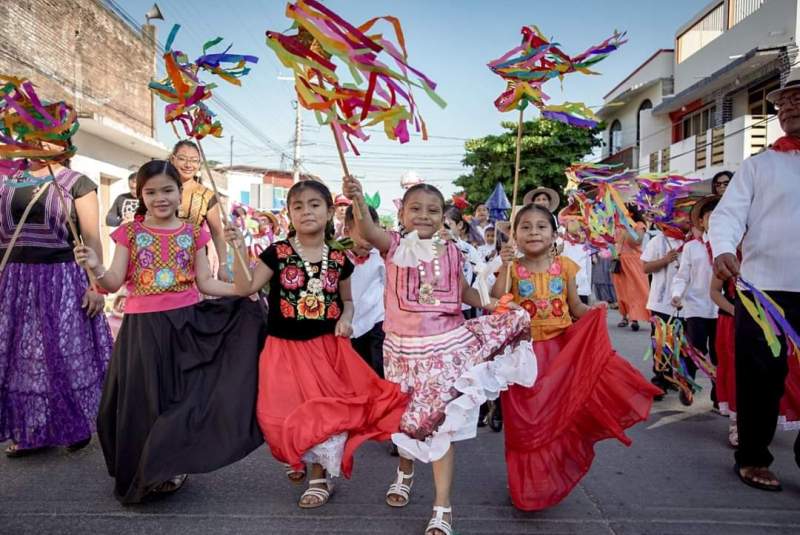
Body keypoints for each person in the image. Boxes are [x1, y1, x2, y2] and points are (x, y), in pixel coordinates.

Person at [343, 177, 534, 535]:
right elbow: (368, 230)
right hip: (401, 351)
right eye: (415, 208)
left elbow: (467, 294)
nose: (424, 216)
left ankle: (441, 505)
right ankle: (405, 471)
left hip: (446, 350)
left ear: (443, 215)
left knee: (441, 427)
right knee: (408, 419)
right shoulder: (393, 244)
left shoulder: (454, 251)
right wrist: (356, 199)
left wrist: (497, 301)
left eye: (433, 210)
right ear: (401, 212)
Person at [76, 160, 266, 503]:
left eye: (167, 190)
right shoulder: (129, 233)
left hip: (186, 325)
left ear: (181, 193)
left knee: (180, 400)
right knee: (144, 402)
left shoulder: (194, 233)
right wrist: (95, 267)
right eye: (151, 192)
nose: (160, 198)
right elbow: (114, 282)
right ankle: (145, 469)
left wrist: (241, 286)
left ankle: (169, 464)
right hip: (142, 331)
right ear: (140, 195)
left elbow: (207, 282)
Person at [226, 179, 408, 510]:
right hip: (282, 349)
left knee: (321, 413)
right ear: (289, 214)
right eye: (298, 206)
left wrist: (346, 319)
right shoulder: (277, 252)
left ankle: (318, 478)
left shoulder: (339, 257)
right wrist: (236, 250)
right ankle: (294, 455)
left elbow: (347, 301)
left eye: (314, 205)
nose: (306, 211)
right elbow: (245, 287)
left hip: (326, 349)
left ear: (328, 213)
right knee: (276, 414)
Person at [492, 203, 660, 511]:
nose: (533, 232)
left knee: (556, 418)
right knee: (523, 424)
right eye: (525, 227)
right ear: (514, 235)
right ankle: (522, 483)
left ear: (554, 234)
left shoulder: (566, 267)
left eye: (541, 226)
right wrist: (503, 270)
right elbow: (496, 300)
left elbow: (574, 307)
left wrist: (592, 315)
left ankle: (548, 477)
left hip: (560, 354)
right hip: (522, 356)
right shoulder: (511, 269)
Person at [710, 72, 800, 492]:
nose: (788, 108)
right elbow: (728, 215)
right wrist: (724, 248)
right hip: (763, 289)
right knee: (761, 377)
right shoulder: (758, 165)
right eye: (783, 103)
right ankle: (752, 458)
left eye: (798, 99)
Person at [0, 159, 113, 457]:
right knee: (22, 355)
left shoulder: (78, 183)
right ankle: (32, 429)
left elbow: (91, 240)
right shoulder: (6, 177)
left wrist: (95, 286)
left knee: (59, 352)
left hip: (60, 277)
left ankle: (71, 421)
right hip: (13, 277)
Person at [671, 196, 719, 407]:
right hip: (696, 306)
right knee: (695, 350)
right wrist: (677, 294)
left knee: (720, 353)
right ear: (701, 221)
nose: (716, 221)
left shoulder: (732, 245)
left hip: (722, 309)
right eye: (711, 217)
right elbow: (682, 276)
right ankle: (687, 385)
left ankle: (720, 395)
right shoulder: (692, 247)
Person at [170, 140, 228, 280]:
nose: (188, 165)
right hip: (159, 259)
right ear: (173, 159)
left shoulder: (206, 195)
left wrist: (223, 266)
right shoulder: (158, 188)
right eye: (182, 159)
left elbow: (218, 234)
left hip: (194, 264)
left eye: (194, 160)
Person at [641, 223, 687, 399]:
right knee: (661, 343)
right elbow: (645, 268)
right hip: (661, 302)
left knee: (683, 345)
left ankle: (681, 381)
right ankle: (661, 380)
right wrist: (665, 260)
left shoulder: (692, 241)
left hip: (686, 303)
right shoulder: (658, 241)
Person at [344, 204, 386, 378]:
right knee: (356, 371)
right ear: (347, 231)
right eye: (363, 234)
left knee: (377, 368)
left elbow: (387, 283)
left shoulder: (381, 254)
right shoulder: (336, 255)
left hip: (376, 319)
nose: (368, 240)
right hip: (349, 323)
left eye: (372, 232)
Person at [612, 206, 650, 331]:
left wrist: (628, 226)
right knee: (622, 290)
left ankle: (635, 318)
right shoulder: (617, 225)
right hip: (619, 261)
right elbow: (614, 241)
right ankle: (624, 316)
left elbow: (637, 242)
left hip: (634, 262)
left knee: (636, 290)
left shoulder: (638, 225)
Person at [561, 221, 592, 305]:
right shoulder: (586, 247)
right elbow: (588, 269)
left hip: (567, 285)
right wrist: (588, 287)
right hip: (582, 284)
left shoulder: (562, 245)